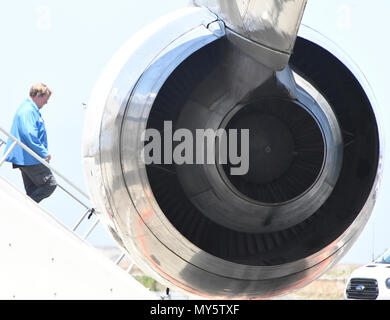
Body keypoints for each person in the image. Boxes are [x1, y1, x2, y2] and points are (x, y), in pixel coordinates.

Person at [3, 83, 57, 203]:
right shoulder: (28, 110)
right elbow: (29, 134)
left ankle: (26, 207)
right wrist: (43, 153)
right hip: (30, 157)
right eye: (45, 99)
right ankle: (22, 206)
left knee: (33, 190)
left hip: (26, 157)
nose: (46, 102)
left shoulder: (30, 109)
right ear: (38, 95)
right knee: (50, 184)